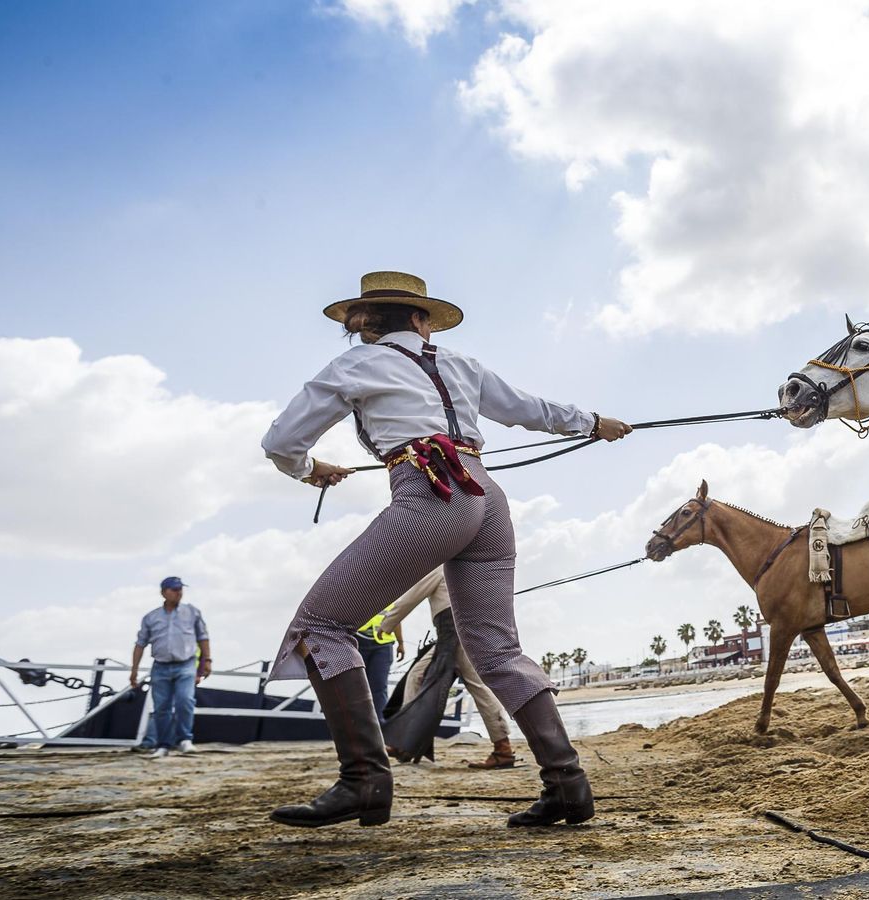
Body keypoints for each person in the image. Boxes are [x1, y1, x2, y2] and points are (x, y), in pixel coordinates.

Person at [260, 271, 631, 829]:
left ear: (370, 323)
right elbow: (529, 409)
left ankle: (364, 781)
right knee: (498, 651)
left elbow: (281, 442)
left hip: (431, 494)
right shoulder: (462, 364)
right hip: (487, 497)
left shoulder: (356, 364)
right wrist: (595, 423)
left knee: (320, 627)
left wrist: (309, 468)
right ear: (419, 319)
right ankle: (567, 785)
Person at [381, 569, 517, 769]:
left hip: (455, 634)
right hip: (456, 633)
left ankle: (503, 749)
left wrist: (386, 624)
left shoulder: (438, 568)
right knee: (417, 675)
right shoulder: (464, 570)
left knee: (477, 687)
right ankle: (406, 741)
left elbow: (409, 599)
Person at [129, 576, 211, 758]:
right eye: (174, 589)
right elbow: (140, 644)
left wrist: (207, 661)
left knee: (185, 700)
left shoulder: (192, 612)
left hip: (186, 664)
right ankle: (163, 744)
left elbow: (203, 637)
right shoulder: (151, 617)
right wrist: (134, 670)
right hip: (161, 666)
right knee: (161, 707)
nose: (178, 592)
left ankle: (185, 739)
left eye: (180, 589)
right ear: (163, 592)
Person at [356, 607, 403, 725]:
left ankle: (380, 724)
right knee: (357, 686)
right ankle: (357, 724)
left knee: (379, 686)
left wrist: (401, 643)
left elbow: (396, 619)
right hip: (358, 642)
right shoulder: (355, 597)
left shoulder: (393, 599)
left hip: (383, 645)